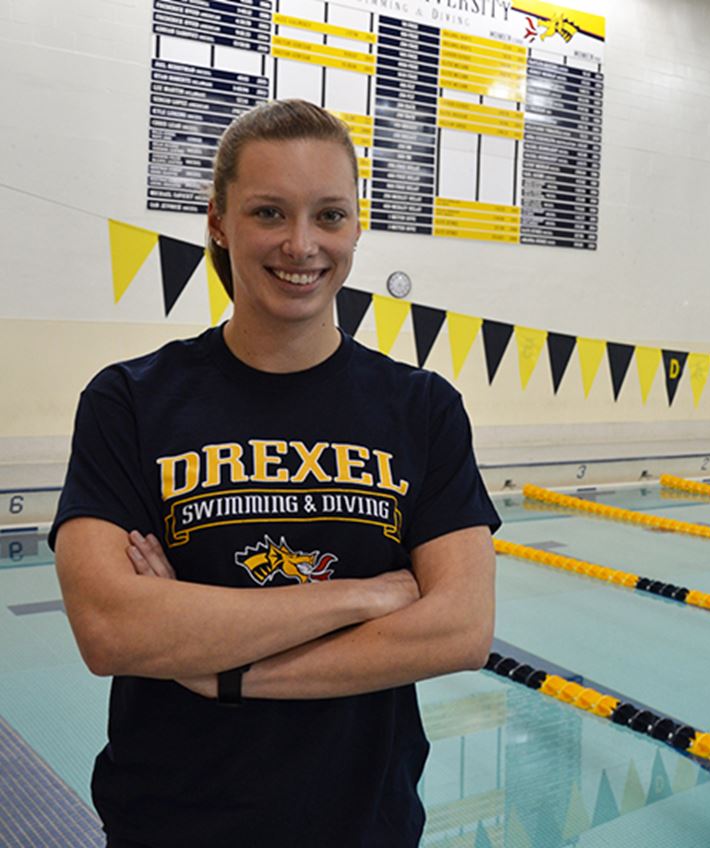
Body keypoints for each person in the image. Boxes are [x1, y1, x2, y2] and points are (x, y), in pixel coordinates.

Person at [51, 99, 500, 848]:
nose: (301, 245)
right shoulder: (129, 402)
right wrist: (361, 596)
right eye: (268, 212)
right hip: (169, 823)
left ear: (356, 227)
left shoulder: (422, 409)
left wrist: (221, 670)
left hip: (365, 827)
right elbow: (111, 627)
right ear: (219, 222)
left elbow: (459, 628)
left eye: (329, 216)